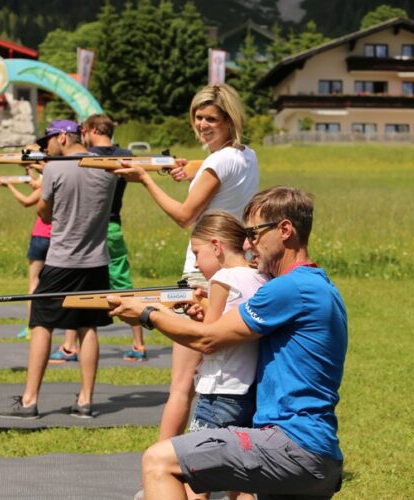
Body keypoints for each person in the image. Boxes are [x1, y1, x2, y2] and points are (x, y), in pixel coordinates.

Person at [108, 186, 347, 499]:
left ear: (285, 230)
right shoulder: (321, 286)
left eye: (254, 233)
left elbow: (207, 338)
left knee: (158, 461)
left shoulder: (290, 288)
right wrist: (207, 309)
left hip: (292, 445)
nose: (248, 244)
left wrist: (147, 314)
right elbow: (232, 327)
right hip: (317, 453)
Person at [115, 83, 259, 439]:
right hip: (234, 266)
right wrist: (189, 168)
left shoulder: (216, 161)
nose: (203, 123)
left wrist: (145, 178)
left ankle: (162, 472)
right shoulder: (247, 155)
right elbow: (218, 169)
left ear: (229, 120)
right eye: (198, 116)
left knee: (181, 386)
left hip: (202, 270)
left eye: (211, 118)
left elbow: (184, 215)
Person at [0, 119, 117, 419]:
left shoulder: (54, 168)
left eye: (48, 141)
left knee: (41, 323)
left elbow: (45, 214)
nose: (45, 147)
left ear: (63, 137)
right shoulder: (108, 168)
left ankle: (29, 401)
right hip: (96, 261)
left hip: (62, 260)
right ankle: (86, 401)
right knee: (87, 327)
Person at [180, 211, 268, 500]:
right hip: (251, 391)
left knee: (195, 477)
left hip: (219, 393)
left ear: (216, 246)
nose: (194, 262)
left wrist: (169, 319)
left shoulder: (222, 278)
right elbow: (231, 323)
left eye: (197, 252)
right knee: (242, 478)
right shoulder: (261, 276)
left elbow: (208, 339)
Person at [48, 113, 148, 362]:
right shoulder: (123, 155)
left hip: (92, 227)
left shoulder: (92, 158)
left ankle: (71, 345)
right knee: (118, 286)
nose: (83, 135)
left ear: (92, 130)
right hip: (111, 225)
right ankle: (137, 344)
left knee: (77, 287)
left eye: (85, 131)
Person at [0, 172, 47, 341]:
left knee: (34, 283)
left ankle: (31, 327)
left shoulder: (48, 184)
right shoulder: (63, 183)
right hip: (60, 238)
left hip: (42, 236)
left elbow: (27, 201)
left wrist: (9, 186)